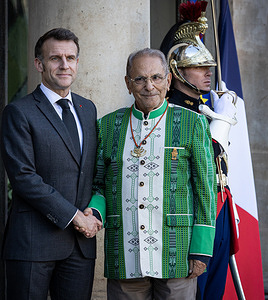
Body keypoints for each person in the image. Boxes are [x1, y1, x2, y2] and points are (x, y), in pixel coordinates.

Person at [87, 48, 216, 300]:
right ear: (128, 83)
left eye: (156, 78)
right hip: (124, 251)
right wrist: (94, 211)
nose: (149, 86)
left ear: (168, 81)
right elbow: (98, 184)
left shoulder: (193, 123)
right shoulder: (107, 126)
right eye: (140, 79)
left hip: (177, 252)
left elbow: (205, 189)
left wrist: (201, 249)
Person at [0, 27, 102, 300]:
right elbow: (24, 177)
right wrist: (75, 216)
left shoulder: (87, 108)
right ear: (39, 64)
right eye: (55, 58)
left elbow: (92, 170)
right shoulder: (19, 112)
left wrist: (94, 212)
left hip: (80, 247)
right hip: (34, 243)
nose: (64, 64)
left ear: (78, 63)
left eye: (70, 57)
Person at [159, 2, 239, 299]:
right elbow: (201, 160)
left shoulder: (208, 108)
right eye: (198, 66)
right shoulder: (171, 112)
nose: (208, 72)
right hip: (192, 213)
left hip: (219, 208)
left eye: (208, 67)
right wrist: (222, 124)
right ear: (177, 70)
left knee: (214, 290)